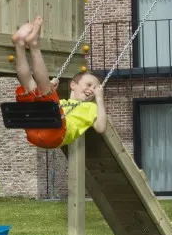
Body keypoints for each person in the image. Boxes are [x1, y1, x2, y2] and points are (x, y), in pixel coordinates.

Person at [11, 15, 106, 148]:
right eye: (89, 84)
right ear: (73, 85)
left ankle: (34, 45)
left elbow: (101, 128)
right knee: (30, 87)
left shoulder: (91, 108)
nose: (91, 89)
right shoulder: (62, 103)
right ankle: (19, 45)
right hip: (35, 129)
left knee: (45, 92)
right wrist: (49, 86)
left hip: (54, 134)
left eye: (95, 89)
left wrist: (99, 99)